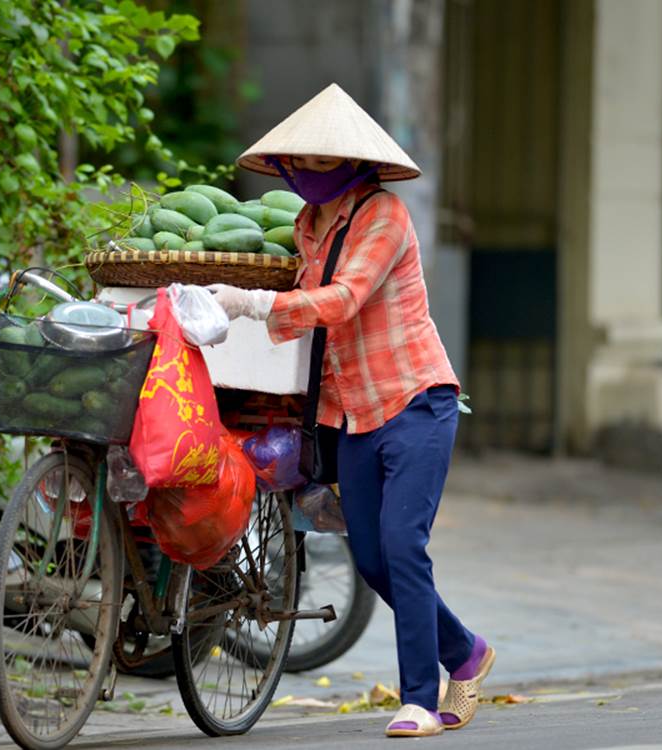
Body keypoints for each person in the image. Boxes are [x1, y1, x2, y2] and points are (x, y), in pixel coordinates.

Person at [209, 83, 495, 738]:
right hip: (353, 416)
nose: (308, 172)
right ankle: (466, 652)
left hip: (416, 401)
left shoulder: (385, 215)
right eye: (300, 161)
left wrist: (253, 305)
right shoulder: (305, 226)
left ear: (353, 162)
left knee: (403, 546)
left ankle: (419, 699)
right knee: (369, 557)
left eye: (322, 161)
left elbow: (342, 300)